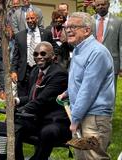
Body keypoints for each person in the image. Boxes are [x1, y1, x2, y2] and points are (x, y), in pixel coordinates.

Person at [58, 12, 115, 160]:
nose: (68, 30)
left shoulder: (97, 52)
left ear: (87, 30)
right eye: (67, 27)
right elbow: (81, 80)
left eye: (73, 27)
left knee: (93, 157)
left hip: (94, 118)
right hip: (83, 112)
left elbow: (88, 90)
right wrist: (68, 92)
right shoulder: (78, 49)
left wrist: (75, 119)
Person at [14, 41, 71, 160]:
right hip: (37, 118)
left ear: (53, 57)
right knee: (14, 123)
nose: (39, 57)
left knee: (47, 132)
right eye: (36, 54)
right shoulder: (35, 71)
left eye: (43, 54)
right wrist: (17, 101)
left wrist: (21, 110)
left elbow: (42, 100)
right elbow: (32, 97)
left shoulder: (59, 74)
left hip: (55, 121)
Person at [10, 11, 55, 97]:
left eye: (32, 18)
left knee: (38, 95)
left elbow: (54, 48)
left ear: (37, 19)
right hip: (24, 71)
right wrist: (13, 71)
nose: (30, 20)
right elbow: (16, 56)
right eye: (28, 18)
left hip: (40, 70)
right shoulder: (19, 35)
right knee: (22, 97)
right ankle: (22, 110)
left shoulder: (46, 33)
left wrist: (53, 60)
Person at [93, 0, 122, 87]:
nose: (100, 6)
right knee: (94, 91)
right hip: (92, 62)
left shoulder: (119, 21)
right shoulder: (90, 20)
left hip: (112, 63)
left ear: (108, 5)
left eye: (103, 4)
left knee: (110, 92)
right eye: (98, 5)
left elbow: (121, 44)